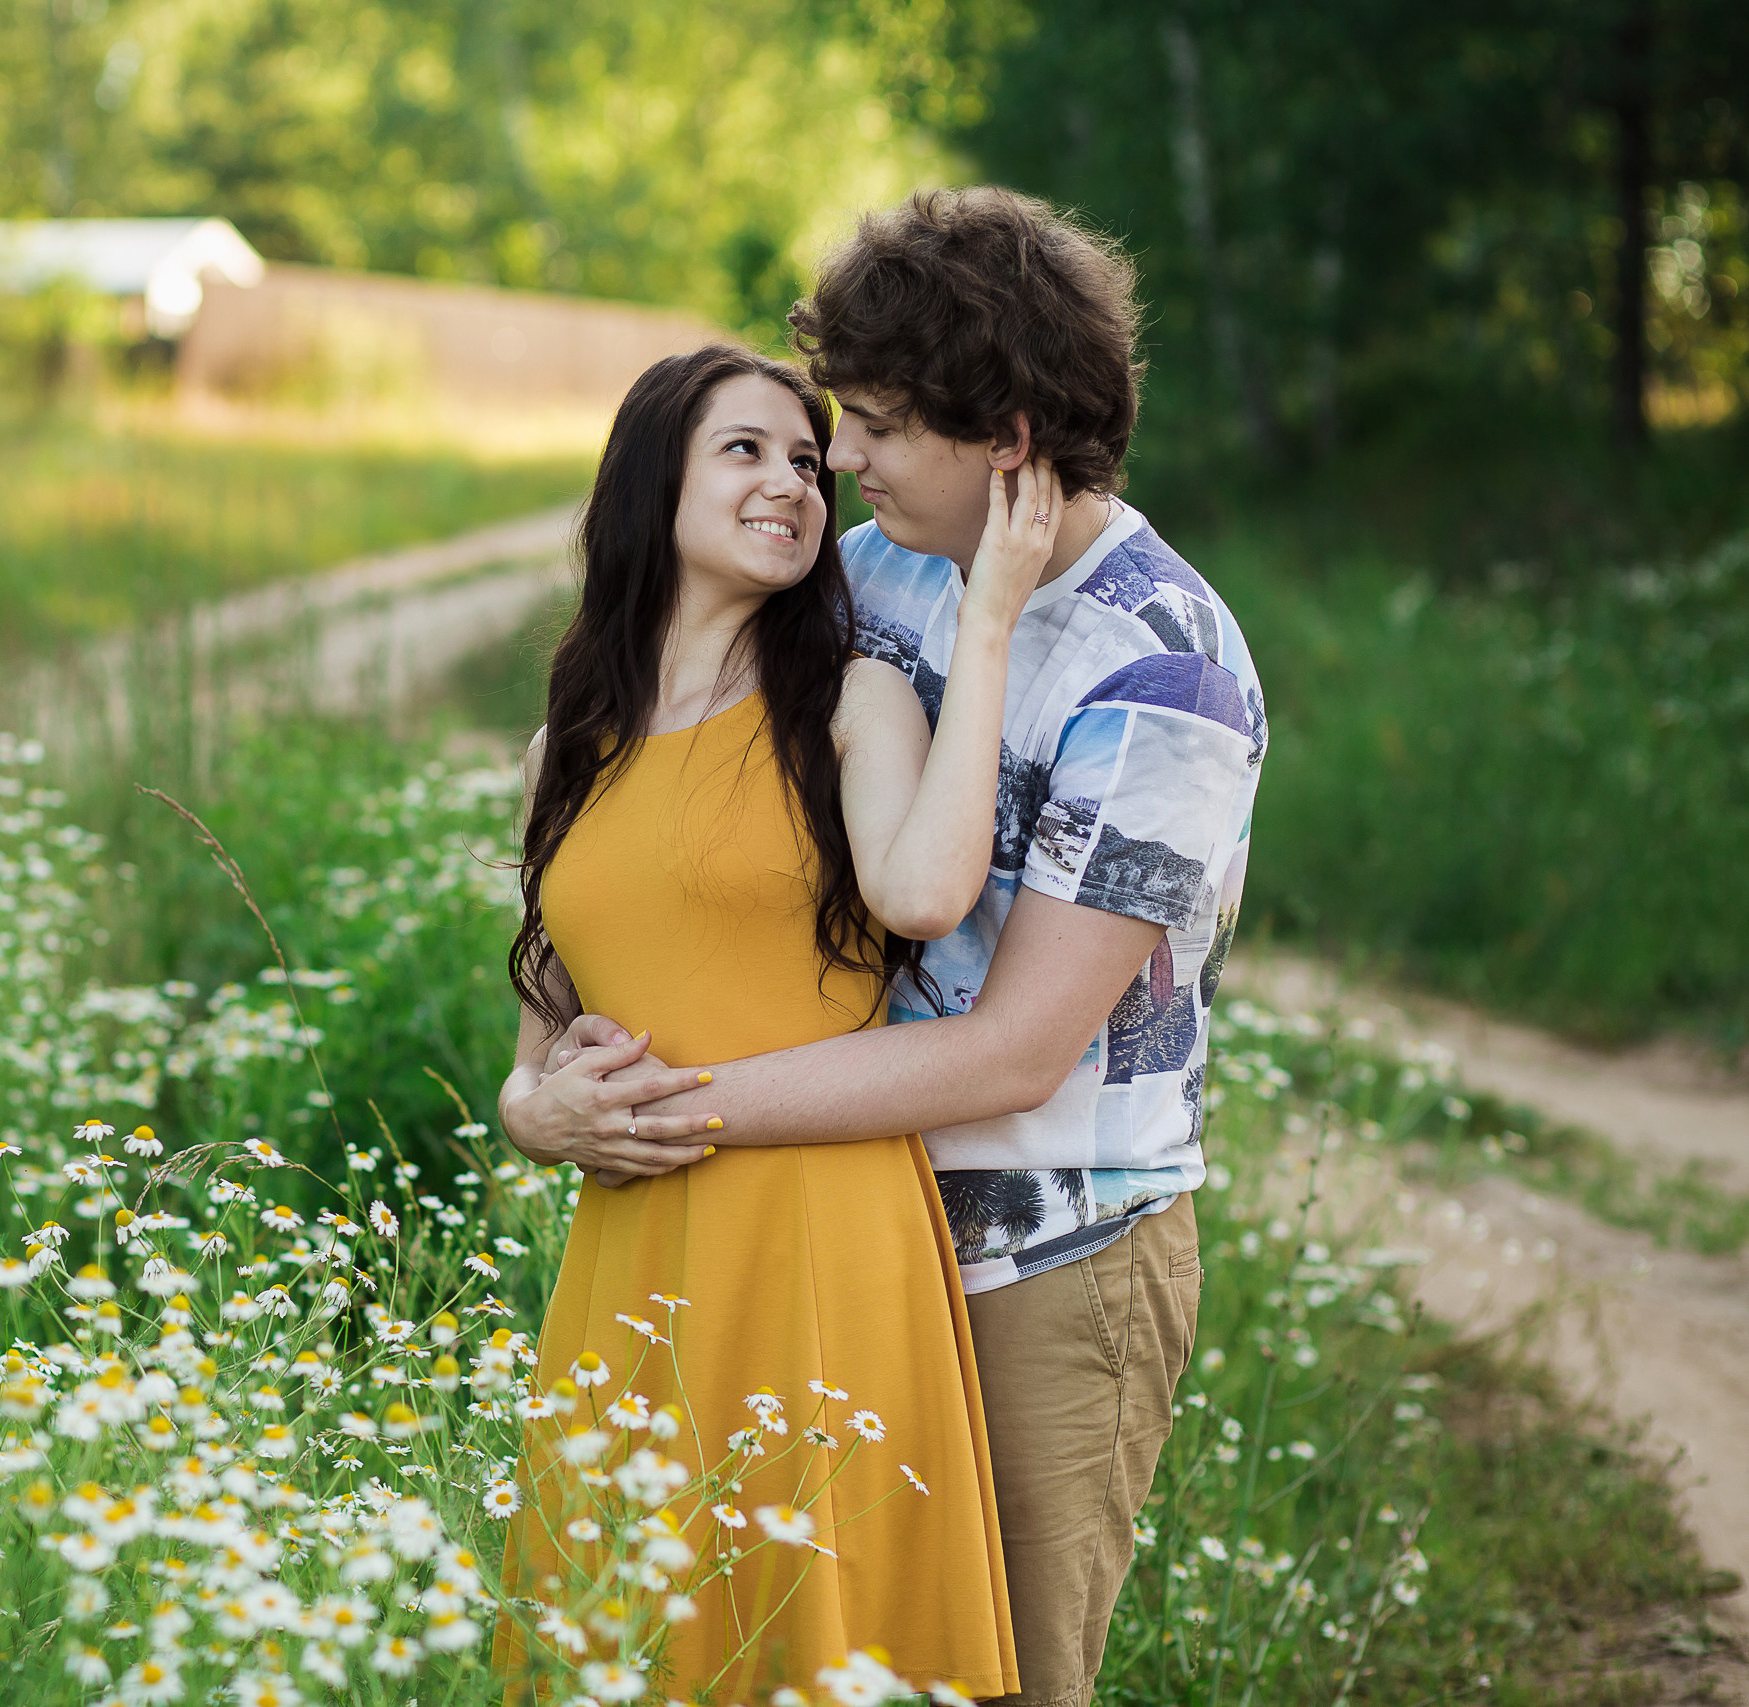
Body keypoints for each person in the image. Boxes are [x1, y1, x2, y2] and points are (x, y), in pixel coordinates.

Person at [505, 188, 1267, 1707]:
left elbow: (1014, 1049)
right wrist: (543, 1097)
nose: (835, 460)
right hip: (807, 1220)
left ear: (1012, 442)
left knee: (995, 1680)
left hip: (1046, 1252)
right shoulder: (871, 568)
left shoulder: (1164, 671)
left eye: (874, 427)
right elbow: (664, 827)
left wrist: (668, 1112)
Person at [494, 340, 1063, 1703]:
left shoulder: (850, 703)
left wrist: (986, 621)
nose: (795, 482)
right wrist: (532, 1113)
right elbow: (536, 1058)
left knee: (813, 1647)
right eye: (745, 450)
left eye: (807, 458)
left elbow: (926, 895)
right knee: (630, 1646)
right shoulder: (562, 748)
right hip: (631, 1254)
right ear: (652, 487)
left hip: (820, 1231)